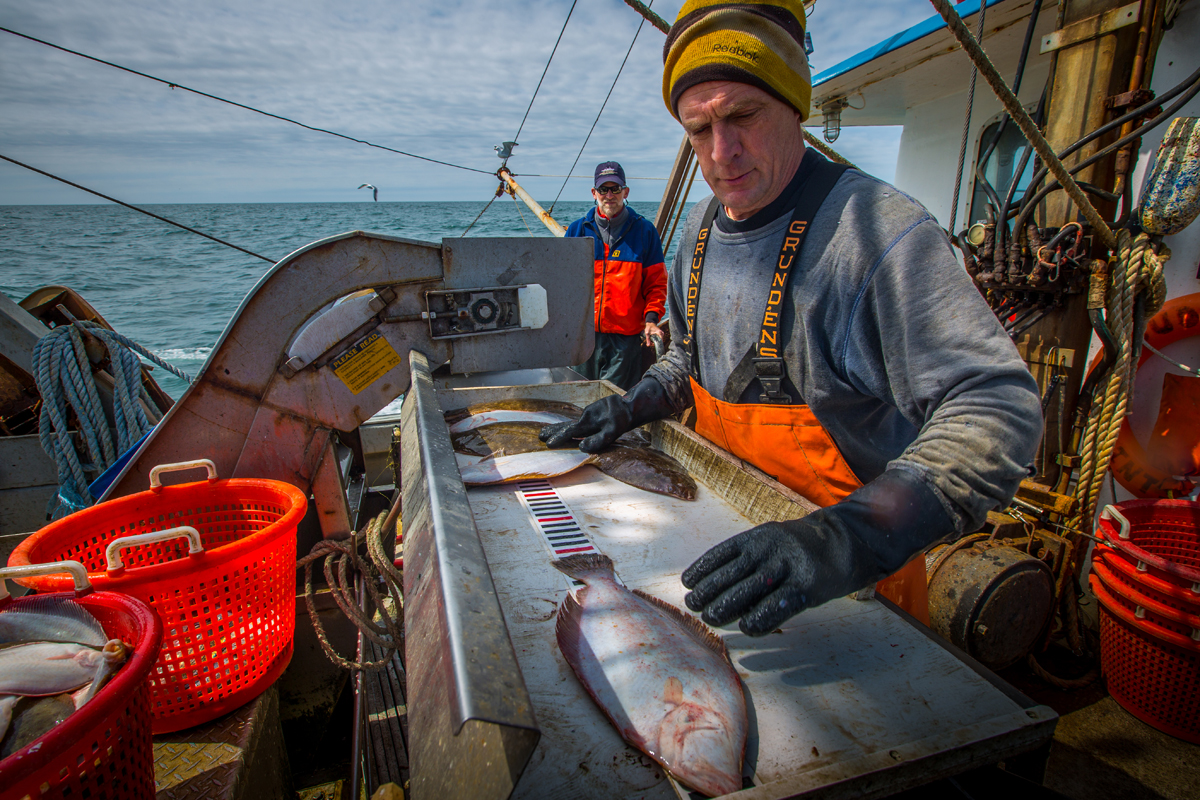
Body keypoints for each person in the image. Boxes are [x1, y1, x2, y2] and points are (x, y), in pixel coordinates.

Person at [543, 0, 1042, 634]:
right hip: (722, 557)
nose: (721, 152)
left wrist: (844, 541)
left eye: (742, 116)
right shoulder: (696, 228)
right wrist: (635, 402)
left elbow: (998, 402)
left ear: (795, 106)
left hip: (853, 596)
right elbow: (687, 359)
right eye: (698, 129)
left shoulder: (876, 233)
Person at [565, 161, 667, 391]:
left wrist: (651, 320)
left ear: (625, 192)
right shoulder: (577, 231)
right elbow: (563, 284)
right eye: (603, 189)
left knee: (614, 405)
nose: (609, 195)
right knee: (577, 399)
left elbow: (656, 284)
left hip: (625, 342)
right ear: (594, 193)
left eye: (615, 189)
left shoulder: (645, 231)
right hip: (583, 337)